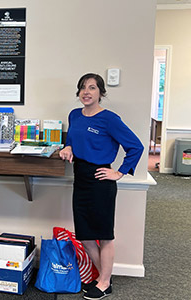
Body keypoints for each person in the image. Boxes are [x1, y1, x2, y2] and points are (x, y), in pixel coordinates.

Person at [59, 73, 143, 300]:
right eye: (83, 88)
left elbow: (136, 146)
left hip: (100, 180)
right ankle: (104, 276)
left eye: (93, 88)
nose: (87, 92)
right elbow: (73, 140)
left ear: (101, 93)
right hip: (81, 178)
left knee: (104, 235)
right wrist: (67, 148)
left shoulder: (110, 119)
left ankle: (104, 282)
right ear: (78, 93)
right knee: (86, 235)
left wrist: (120, 172)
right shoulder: (75, 115)